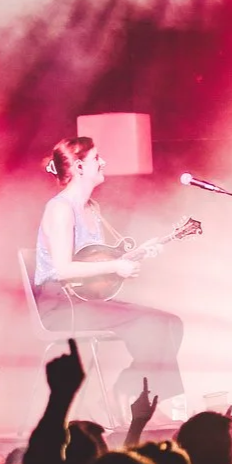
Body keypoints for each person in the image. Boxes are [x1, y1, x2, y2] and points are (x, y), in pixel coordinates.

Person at [33, 136, 186, 409]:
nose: (103, 162)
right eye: (96, 158)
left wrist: (136, 255)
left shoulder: (92, 208)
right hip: (61, 305)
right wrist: (116, 266)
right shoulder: (60, 209)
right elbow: (63, 268)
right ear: (79, 167)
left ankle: (133, 392)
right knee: (151, 325)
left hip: (88, 300)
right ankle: (137, 397)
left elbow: (96, 264)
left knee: (171, 323)